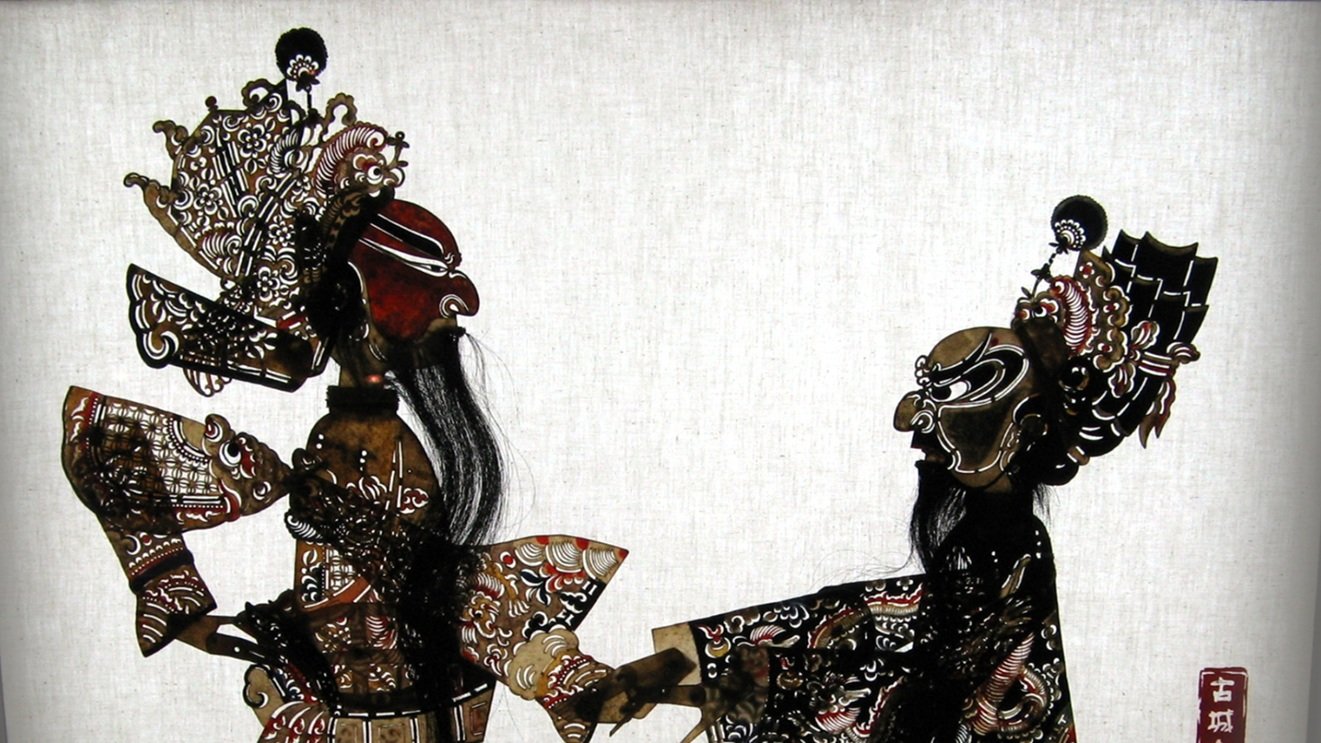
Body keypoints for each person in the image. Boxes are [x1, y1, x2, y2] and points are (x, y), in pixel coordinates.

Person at [61, 28, 680, 743]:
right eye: (425, 288)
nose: (456, 312)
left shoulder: (371, 445)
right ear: (355, 306)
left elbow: (429, 591)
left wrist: (570, 675)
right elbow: (104, 442)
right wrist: (182, 602)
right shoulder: (362, 449)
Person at [633, 196, 1216, 742]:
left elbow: (899, 644)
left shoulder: (1014, 550)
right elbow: (885, 632)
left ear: (1027, 427)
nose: (912, 419)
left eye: (956, 396)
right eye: (927, 391)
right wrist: (692, 667)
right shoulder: (984, 544)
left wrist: (709, 669)